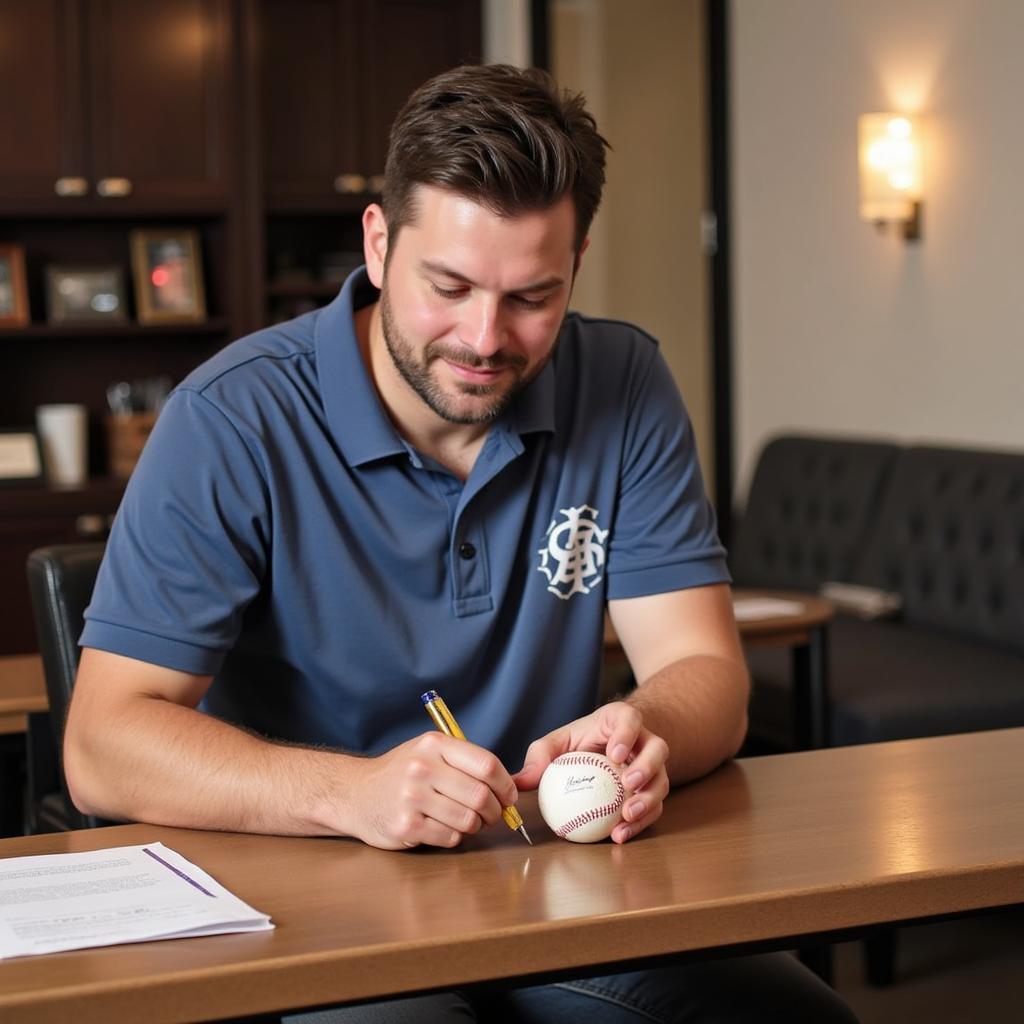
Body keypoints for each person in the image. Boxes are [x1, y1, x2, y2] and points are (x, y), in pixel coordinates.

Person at [64, 65, 857, 1023]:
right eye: (448, 286)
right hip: (310, 896)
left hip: (551, 887)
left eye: (533, 296)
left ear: (578, 262)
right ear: (377, 240)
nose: (485, 338)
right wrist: (351, 794)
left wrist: (648, 730)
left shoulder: (625, 380)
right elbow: (102, 745)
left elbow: (704, 671)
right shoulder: (231, 418)